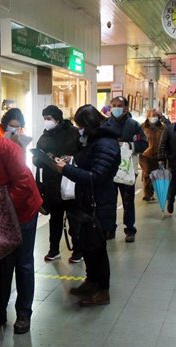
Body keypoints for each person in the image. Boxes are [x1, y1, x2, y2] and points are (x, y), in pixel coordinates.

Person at [55, 105, 120, 306]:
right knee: (89, 247)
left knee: (98, 249)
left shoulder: (106, 144)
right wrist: (72, 161)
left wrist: (66, 170)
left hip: (99, 203)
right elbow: (88, 164)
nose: (79, 130)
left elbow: (96, 177)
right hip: (88, 202)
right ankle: (92, 282)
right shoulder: (94, 140)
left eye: (81, 126)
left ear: (89, 124)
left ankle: (102, 290)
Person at [0, 134, 42, 334]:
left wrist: (1, 210)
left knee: (23, 263)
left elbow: (24, 185)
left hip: (23, 210)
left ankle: (23, 314)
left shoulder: (8, 149)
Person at [35, 105, 82, 263]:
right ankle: (53, 249)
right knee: (55, 218)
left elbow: (82, 153)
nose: (46, 122)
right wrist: (42, 158)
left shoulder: (73, 133)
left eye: (49, 118)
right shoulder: (44, 137)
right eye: (45, 118)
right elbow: (36, 158)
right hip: (51, 183)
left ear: (58, 118)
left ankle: (77, 250)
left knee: (74, 217)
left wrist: (71, 158)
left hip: (70, 180)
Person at [103, 96, 148, 243]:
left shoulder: (134, 125)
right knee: (109, 201)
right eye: (114, 105)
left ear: (126, 108)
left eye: (119, 105)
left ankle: (130, 229)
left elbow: (143, 143)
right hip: (109, 169)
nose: (116, 108)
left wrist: (129, 146)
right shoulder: (105, 125)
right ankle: (109, 228)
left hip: (128, 170)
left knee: (128, 201)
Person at [140, 108, 166, 201]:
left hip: (158, 154)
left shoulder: (163, 127)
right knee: (147, 173)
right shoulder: (142, 127)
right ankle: (147, 194)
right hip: (145, 155)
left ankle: (154, 191)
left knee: (156, 174)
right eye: (151, 115)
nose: (153, 117)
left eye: (155, 115)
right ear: (147, 116)